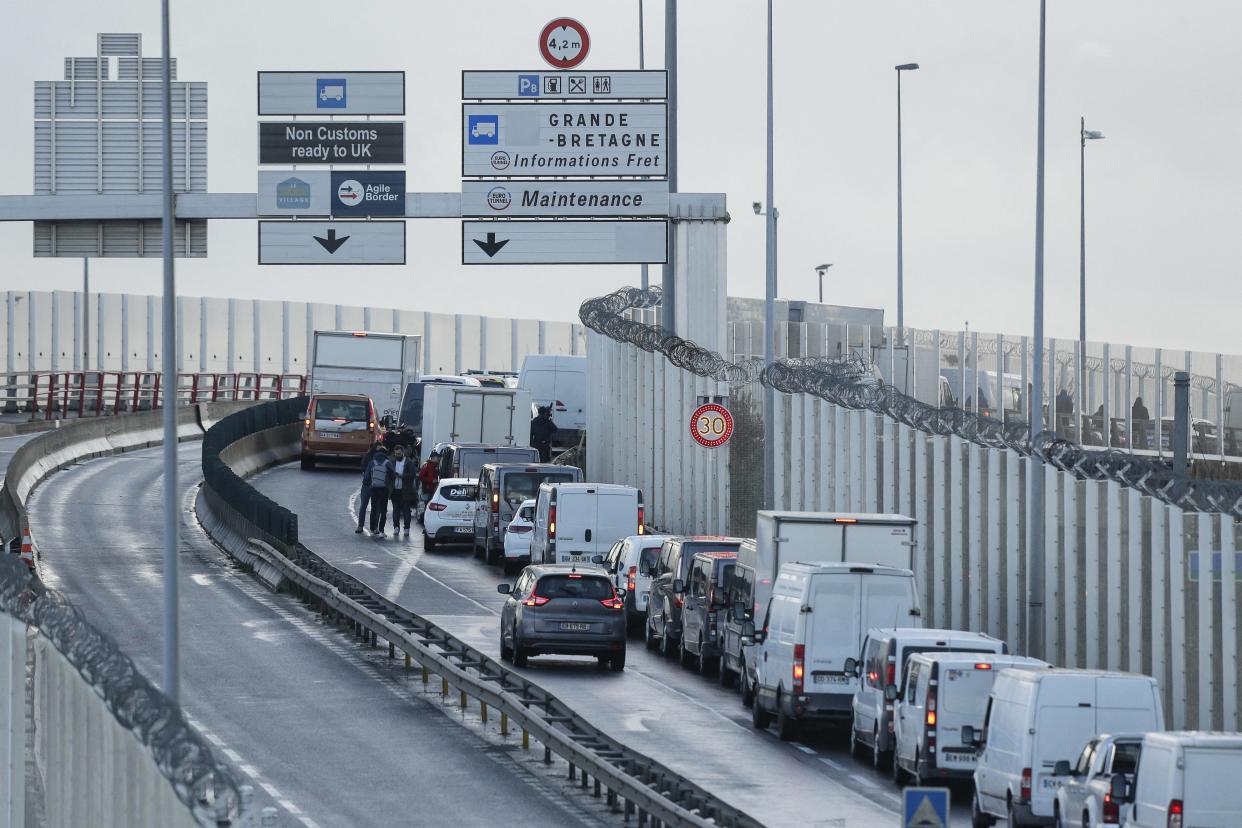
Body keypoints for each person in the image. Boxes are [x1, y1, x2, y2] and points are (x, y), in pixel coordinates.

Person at [387, 445, 416, 538]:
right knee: (395, 510)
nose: (397, 455)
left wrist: (401, 476)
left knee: (406, 511)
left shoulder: (409, 463)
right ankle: (396, 527)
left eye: (399, 454)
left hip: (406, 491)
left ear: (403, 453)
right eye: (396, 454)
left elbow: (413, 475)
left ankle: (406, 528)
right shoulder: (392, 462)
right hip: (395, 490)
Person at [355, 440, 383, 533]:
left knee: (365, 506)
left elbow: (362, 467)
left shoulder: (369, 456)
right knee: (373, 507)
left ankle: (362, 526)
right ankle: (372, 527)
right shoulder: (379, 458)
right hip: (373, 485)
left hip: (369, 484)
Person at [366, 444, 391, 537]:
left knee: (373, 508)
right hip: (384, 488)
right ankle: (381, 530)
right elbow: (392, 475)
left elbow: (367, 476)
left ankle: (372, 529)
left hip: (374, 488)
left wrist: (367, 483)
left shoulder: (372, 462)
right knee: (383, 510)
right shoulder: (387, 463)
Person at [416, 451, 441, 524]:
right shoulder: (427, 466)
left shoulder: (437, 466)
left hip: (434, 489)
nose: (438, 459)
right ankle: (425, 522)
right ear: (433, 458)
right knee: (428, 506)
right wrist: (431, 480)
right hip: (428, 489)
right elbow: (420, 476)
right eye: (437, 457)